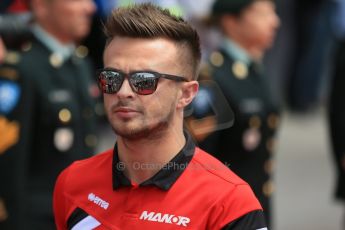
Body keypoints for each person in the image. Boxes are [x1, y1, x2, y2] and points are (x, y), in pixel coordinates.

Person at [53, 3, 268, 230]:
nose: (123, 91)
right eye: (112, 77)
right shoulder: (73, 182)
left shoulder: (229, 204)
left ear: (186, 94)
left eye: (144, 80)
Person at [0, 0, 98, 229]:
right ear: (42, 5)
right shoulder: (20, 68)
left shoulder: (79, 62)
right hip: (35, 219)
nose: (90, 8)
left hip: (77, 214)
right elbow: (9, 165)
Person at [186, 0, 280, 226]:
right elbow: (199, 160)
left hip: (257, 204)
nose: (275, 22)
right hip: (225, 212)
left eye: (274, 12)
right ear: (230, 21)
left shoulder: (255, 69)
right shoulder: (213, 79)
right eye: (262, 14)